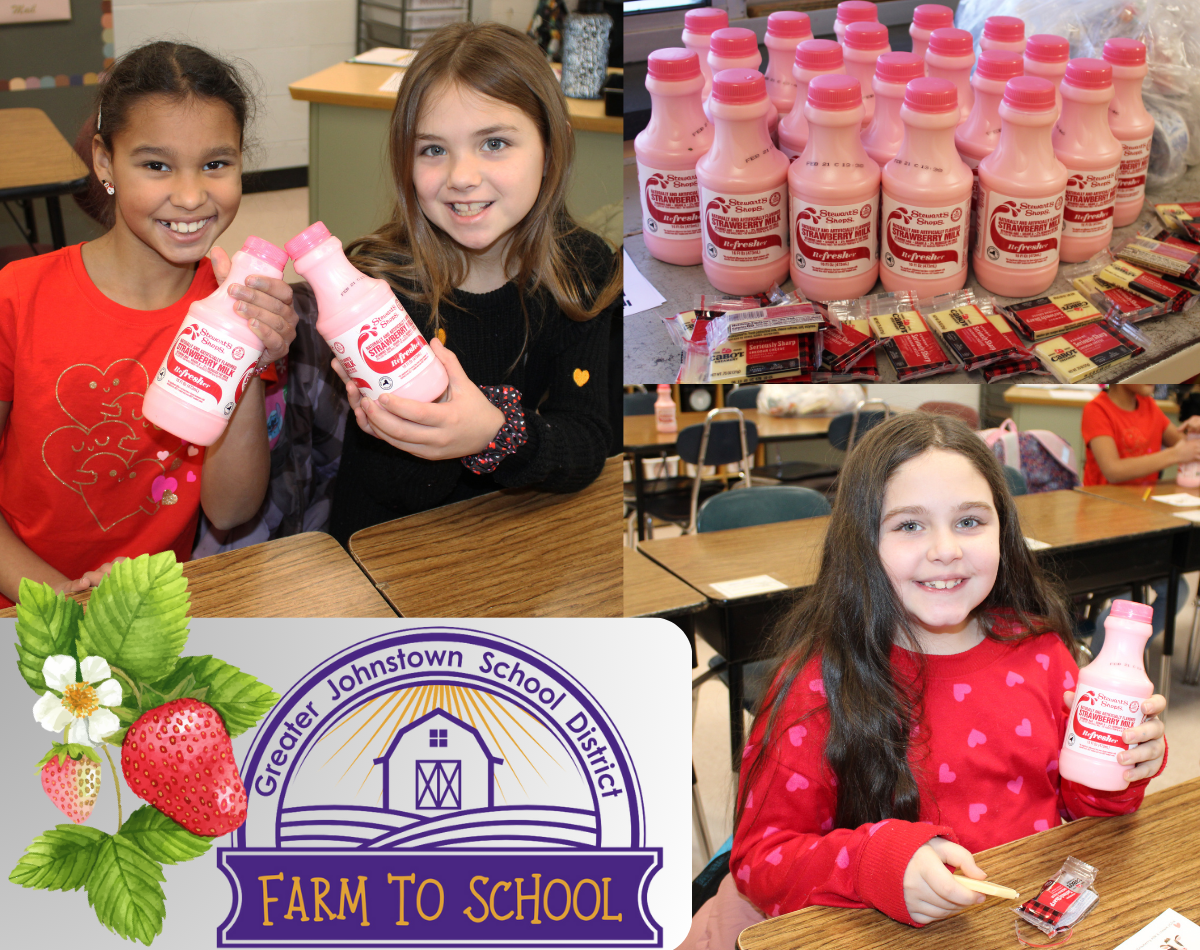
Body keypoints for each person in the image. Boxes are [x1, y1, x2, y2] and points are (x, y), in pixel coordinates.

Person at [682, 413, 1168, 947]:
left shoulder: (1043, 650)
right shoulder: (819, 682)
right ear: (862, 541)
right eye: (909, 524)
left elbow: (1081, 809)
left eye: (969, 521)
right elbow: (762, 859)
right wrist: (877, 865)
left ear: (1003, 530)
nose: (946, 549)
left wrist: (1121, 770)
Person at [0, 41, 298, 606]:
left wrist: (251, 357)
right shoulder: (18, 295)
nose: (190, 196)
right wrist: (55, 597)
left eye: (216, 164)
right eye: (156, 165)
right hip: (21, 600)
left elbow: (231, 509)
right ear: (105, 161)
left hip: (153, 611)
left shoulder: (231, 309)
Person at [327, 21, 620, 543]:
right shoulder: (374, 286)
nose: (461, 176)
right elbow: (391, 489)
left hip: (517, 546)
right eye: (433, 150)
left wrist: (494, 432)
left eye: (494, 143)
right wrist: (422, 433)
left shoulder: (584, 269)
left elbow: (590, 441)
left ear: (553, 148)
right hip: (389, 553)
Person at [1082, 383, 1200, 649]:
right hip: (1104, 527)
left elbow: (1185, 447)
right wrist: (1174, 454)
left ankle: (1127, 651)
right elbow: (1112, 470)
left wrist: (1193, 432)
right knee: (1123, 607)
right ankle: (1104, 657)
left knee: (1177, 591)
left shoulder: (1148, 406)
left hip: (1143, 523)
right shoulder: (1097, 410)